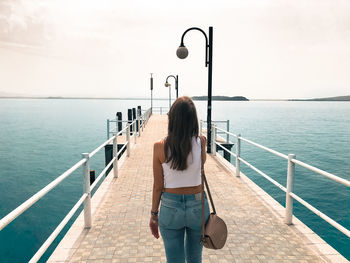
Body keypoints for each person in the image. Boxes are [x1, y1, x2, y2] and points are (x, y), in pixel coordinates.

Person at [149, 96, 210, 263]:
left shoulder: (159, 146)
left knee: (174, 259)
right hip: (198, 206)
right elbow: (200, 167)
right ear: (193, 119)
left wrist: (154, 215)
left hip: (170, 206)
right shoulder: (201, 142)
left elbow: (157, 186)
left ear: (172, 118)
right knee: (195, 258)